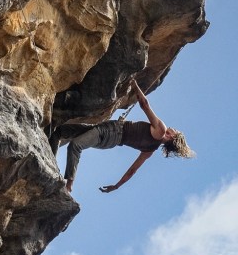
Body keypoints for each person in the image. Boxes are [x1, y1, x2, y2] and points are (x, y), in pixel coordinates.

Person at [55, 80, 194, 193]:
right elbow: (132, 170)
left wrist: (135, 84)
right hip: (110, 135)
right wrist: (117, 186)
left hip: (112, 132)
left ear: (172, 137)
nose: (174, 128)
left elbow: (145, 105)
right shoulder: (150, 150)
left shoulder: (161, 130)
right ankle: (52, 157)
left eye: (176, 131)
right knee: (60, 131)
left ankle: (69, 184)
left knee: (75, 145)